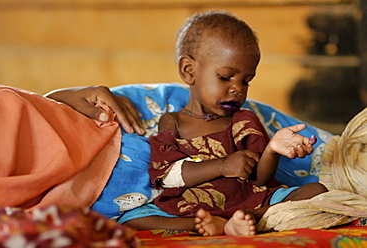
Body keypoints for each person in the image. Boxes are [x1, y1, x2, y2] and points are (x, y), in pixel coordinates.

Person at [46, 11, 328, 236]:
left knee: (317, 191)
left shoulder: (244, 120)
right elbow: (164, 173)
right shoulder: (173, 121)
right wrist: (222, 166)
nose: (237, 90)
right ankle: (212, 226)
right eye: (225, 77)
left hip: (246, 200)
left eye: (246, 81)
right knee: (133, 220)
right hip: (191, 205)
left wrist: (273, 150)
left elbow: (258, 179)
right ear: (189, 70)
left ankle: (242, 220)